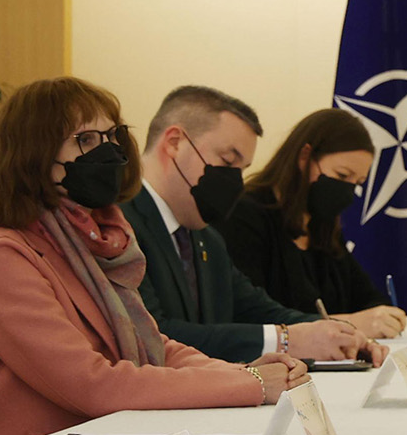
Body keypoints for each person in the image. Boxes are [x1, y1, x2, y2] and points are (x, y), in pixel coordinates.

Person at [0, 78, 308, 435]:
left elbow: (152, 344)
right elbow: (92, 384)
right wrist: (251, 385)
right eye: (86, 140)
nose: (110, 152)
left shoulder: (95, 241)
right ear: (35, 154)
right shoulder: (6, 253)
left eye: (112, 137)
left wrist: (244, 372)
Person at [126, 86, 381, 365]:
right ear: (175, 142)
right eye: (227, 161)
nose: (235, 181)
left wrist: (337, 334)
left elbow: (255, 308)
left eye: (242, 169)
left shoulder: (206, 237)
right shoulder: (120, 223)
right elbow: (152, 334)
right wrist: (286, 340)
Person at [219, 108, 407, 338]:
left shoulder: (323, 226)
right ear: (304, 156)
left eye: (358, 182)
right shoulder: (244, 215)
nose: (348, 190)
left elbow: (368, 298)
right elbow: (251, 314)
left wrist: (384, 316)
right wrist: (345, 323)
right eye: (341, 175)